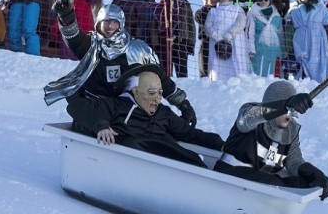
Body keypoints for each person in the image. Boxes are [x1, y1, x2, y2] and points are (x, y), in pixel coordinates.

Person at [44, 0, 198, 127]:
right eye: (106, 22)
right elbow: (75, 40)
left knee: (164, 118)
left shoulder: (138, 50)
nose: (110, 26)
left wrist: (183, 104)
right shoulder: (91, 45)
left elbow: (159, 80)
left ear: (121, 24)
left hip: (129, 113)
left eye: (114, 22)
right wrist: (67, 16)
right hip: (97, 111)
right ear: (98, 24)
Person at [66, 63, 224, 167]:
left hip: (170, 167)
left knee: (194, 160)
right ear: (135, 92)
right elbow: (77, 105)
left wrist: (222, 145)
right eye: (151, 92)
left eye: (160, 93)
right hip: (133, 166)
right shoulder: (116, 106)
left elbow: (190, 134)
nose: (158, 98)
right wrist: (101, 126)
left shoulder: (164, 113)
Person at [213, 80, 328, 200]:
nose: (289, 115)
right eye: (287, 110)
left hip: (260, 183)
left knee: (300, 184)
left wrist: (313, 174)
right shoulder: (250, 116)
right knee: (276, 184)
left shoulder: (291, 130)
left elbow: (294, 162)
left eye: (292, 110)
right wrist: (284, 105)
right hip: (229, 176)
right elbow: (249, 117)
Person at [287, 0, 328, 82]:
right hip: (301, 40)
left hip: (317, 39)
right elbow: (289, 25)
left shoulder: (321, 8)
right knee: (302, 61)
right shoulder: (295, 11)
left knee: (317, 62)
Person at [204, 0, 250, 81]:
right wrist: (217, 37)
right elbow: (207, 26)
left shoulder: (237, 9)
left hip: (234, 41)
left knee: (236, 61)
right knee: (217, 64)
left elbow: (241, 22)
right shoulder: (213, 11)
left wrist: (229, 34)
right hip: (217, 42)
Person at [154, 0, 195, 78]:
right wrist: (156, 43)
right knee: (165, 69)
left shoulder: (184, 4)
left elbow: (190, 24)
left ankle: (183, 88)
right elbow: (155, 26)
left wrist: (191, 43)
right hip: (164, 40)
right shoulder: (160, 6)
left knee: (182, 69)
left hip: (181, 40)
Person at [247, 0, 284, 77]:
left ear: (270, 1)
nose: (263, 1)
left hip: (274, 50)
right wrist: (251, 49)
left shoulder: (276, 16)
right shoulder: (253, 14)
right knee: (259, 70)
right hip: (259, 49)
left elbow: (281, 34)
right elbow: (249, 33)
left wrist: (283, 50)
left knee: (274, 71)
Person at [195, 0, 218, 78]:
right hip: (205, 39)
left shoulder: (220, 11)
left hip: (216, 40)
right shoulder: (202, 11)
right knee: (204, 59)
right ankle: (203, 77)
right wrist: (205, 6)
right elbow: (198, 18)